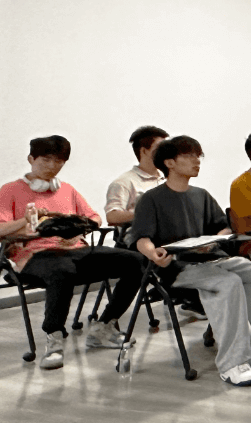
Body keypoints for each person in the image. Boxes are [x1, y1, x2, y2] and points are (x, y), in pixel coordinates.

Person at [129, 136, 251, 387]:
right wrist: (153, 254)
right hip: (177, 267)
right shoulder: (151, 199)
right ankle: (233, 363)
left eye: (198, 156)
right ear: (169, 163)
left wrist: (216, 239)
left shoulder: (201, 195)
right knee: (228, 282)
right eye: (189, 156)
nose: (197, 161)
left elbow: (223, 227)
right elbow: (141, 238)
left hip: (211, 258)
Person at [0, 136, 145, 369]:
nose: (52, 166)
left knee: (136, 260)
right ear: (31, 159)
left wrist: (78, 228)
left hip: (76, 251)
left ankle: (104, 326)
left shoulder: (67, 189)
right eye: (46, 160)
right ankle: (54, 337)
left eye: (59, 161)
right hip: (34, 256)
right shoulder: (10, 191)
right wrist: (24, 221)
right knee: (62, 270)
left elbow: (95, 217)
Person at [105, 125, 170, 227]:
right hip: (141, 234)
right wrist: (149, 214)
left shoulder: (168, 179)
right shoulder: (124, 182)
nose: (165, 152)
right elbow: (112, 216)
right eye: (159, 148)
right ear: (144, 151)